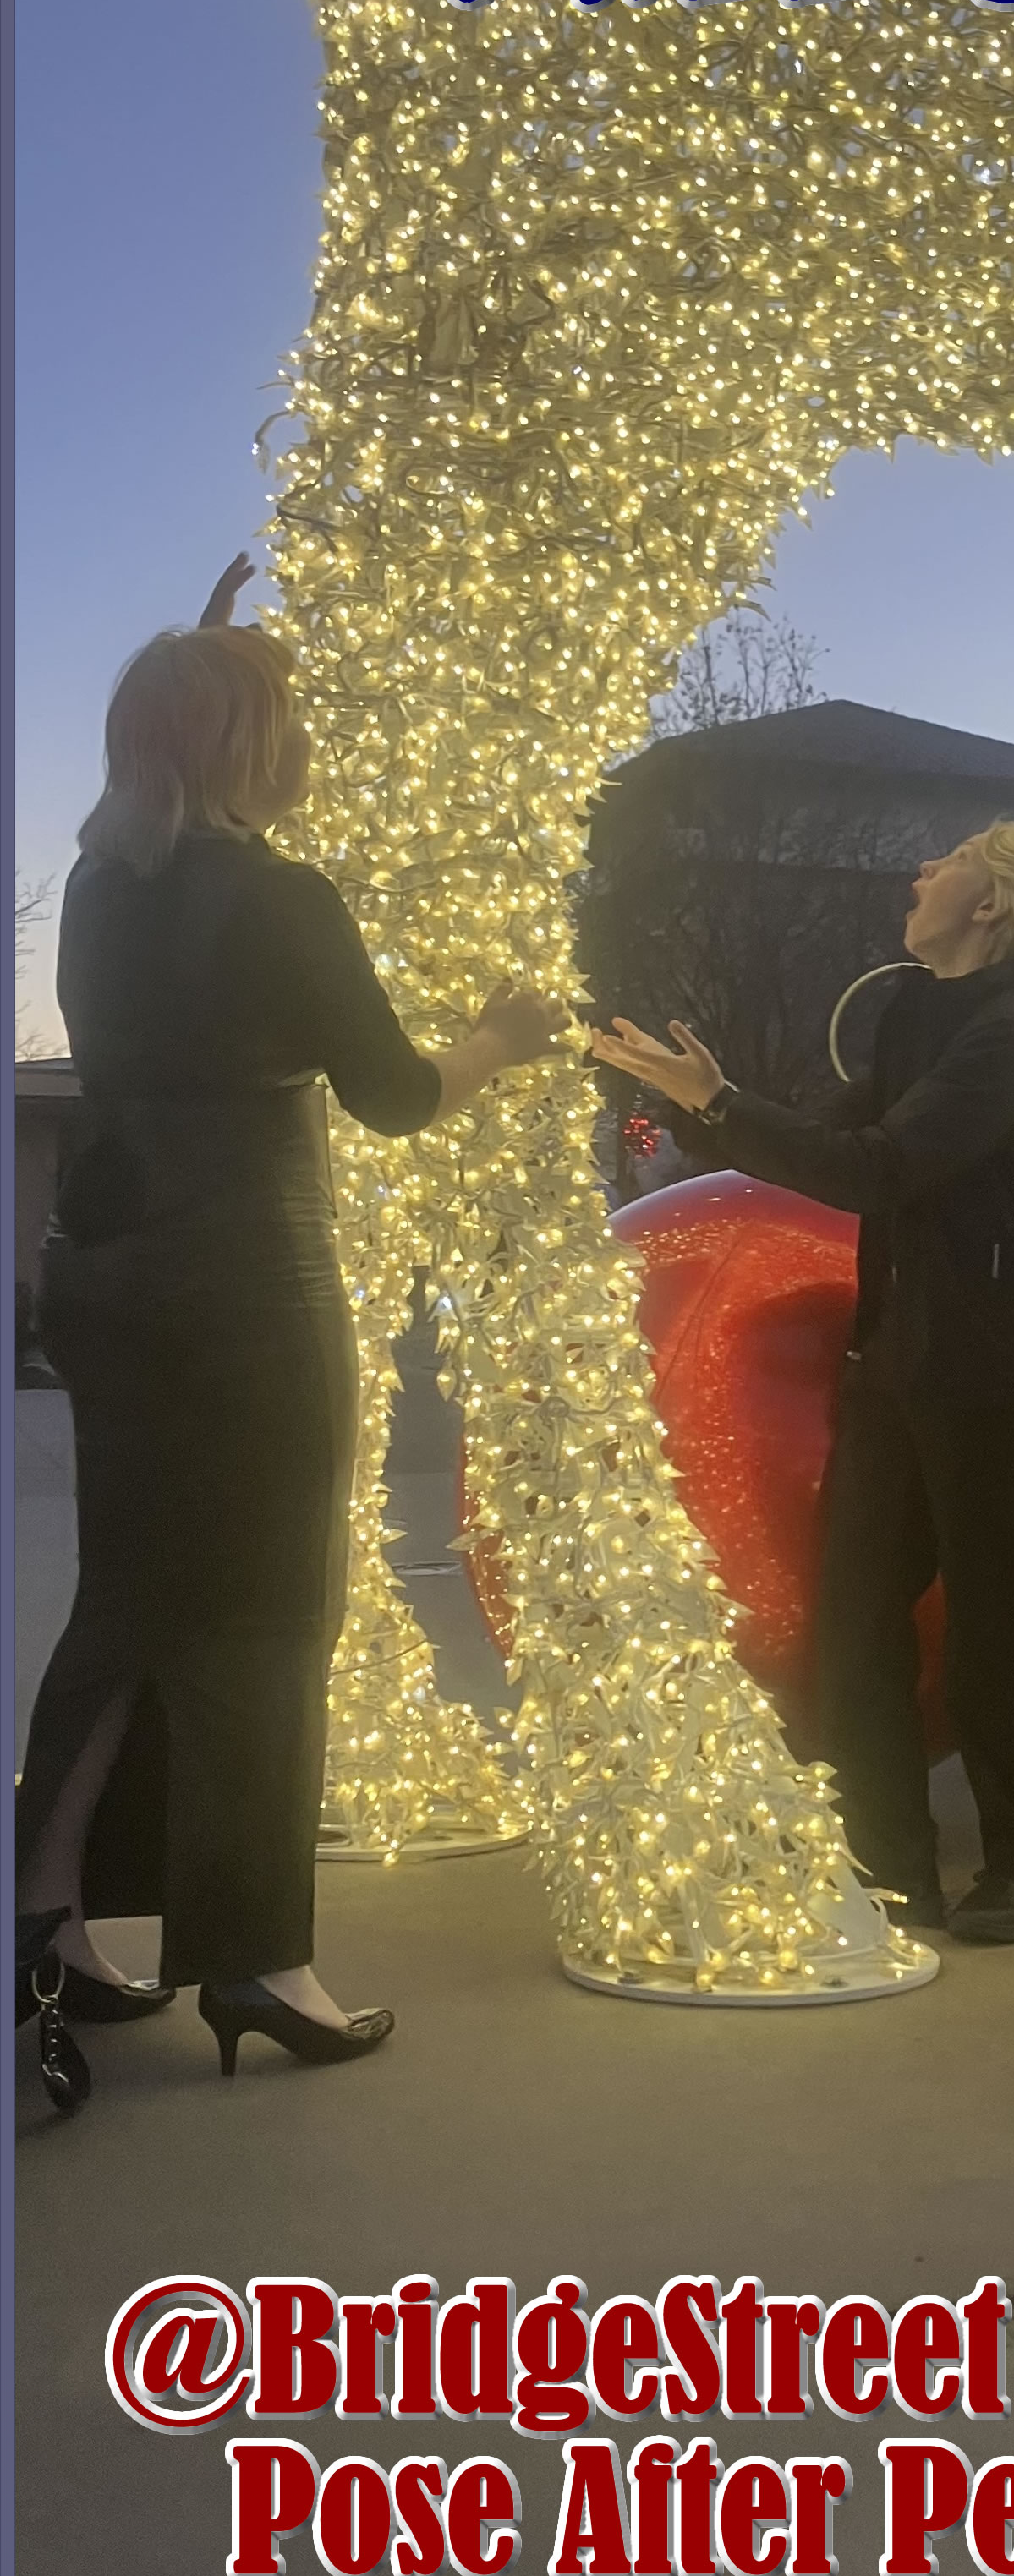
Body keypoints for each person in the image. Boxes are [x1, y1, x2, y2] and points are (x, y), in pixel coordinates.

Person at [14, 572, 559, 2077]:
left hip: (108, 1275)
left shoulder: (101, 885)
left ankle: (42, 1916)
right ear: (254, 741)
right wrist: (498, 1045)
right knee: (265, 1618)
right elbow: (391, 1094)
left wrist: (196, 654)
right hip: (247, 1284)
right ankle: (256, 1960)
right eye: (287, 715)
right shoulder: (278, 895)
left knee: (125, 1602)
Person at [589, 821, 1014, 1947]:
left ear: (992, 905)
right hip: (899, 1358)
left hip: (990, 1365)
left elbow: (881, 1168)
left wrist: (723, 1107)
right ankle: (886, 1863)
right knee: (860, 1617)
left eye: (948, 862)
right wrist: (699, 1097)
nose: (918, 873)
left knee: (988, 1620)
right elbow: (830, 1139)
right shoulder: (920, 1015)